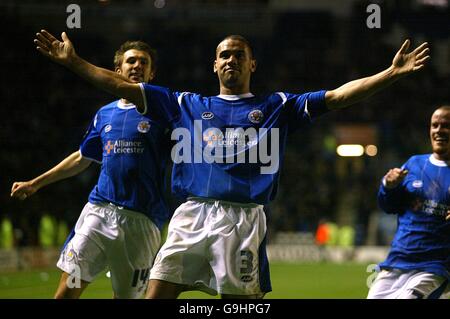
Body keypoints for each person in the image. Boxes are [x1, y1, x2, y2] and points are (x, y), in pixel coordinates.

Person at [33, 30, 430, 298]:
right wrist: (74, 62)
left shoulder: (276, 106)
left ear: (251, 64)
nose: (231, 60)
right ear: (214, 65)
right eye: (224, 55)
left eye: (239, 55)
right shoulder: (187, 104)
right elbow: (119, 85)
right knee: (156, 292)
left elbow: (339, 96)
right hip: (190, 215)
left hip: (242, 219)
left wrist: (390, 74)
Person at [11, 40, 171, 299]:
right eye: (131, 61)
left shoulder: (162, 109)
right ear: (117, 69)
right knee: (65, 293)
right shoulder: (104, 115)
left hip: (141, 222)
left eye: (144, 62)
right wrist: (35, 183)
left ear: (152, 73)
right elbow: (82, 157)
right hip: (99, 213)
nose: (137, 65)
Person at [367, 106, 450, 299]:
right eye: (434, 125)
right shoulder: (414, 164)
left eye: (446, 126)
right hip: (397, 260)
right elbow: (388, 206)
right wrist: (389, 186)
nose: (438, 130)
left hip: (434, 266)